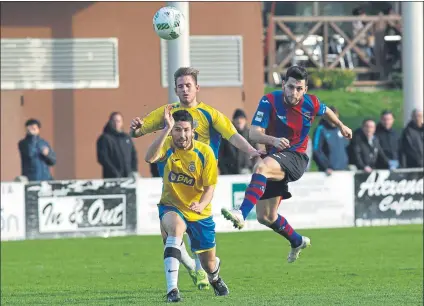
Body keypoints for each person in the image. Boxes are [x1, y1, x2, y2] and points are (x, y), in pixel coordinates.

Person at [130, 67, 260, 290]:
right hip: (173, 181)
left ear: (197, 88)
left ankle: (203, 269)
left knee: (198, 243)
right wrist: (136, 129)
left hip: (200, 184)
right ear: (175, 89)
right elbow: (139, 131)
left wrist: (252, 151)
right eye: (180, 86)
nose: (185, 89)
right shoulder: (167, 113)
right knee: (172, 236)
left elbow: (233, 135)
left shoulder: (210, 114)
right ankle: (192, 268)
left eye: (188, 85)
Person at [221, 66, 352, 263]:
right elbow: (253, 133)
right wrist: (272, 140)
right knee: (266, 216)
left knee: (261, 167)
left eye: (299, 88)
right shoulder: (270, 101)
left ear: (305, 89)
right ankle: (297, 240)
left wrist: (341, 125)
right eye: (291, 87)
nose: (294, 93)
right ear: (283, 85)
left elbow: (326, 112)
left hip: (296, 157)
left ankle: (240, 212)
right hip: (276, 156)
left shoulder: (311, 103)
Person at [145, 108, 229, 302]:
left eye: (185, 130)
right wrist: (166, 129)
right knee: (174, 231)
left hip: (200, 212)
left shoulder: (205, 152)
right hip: (171, 206)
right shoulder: (167, 144)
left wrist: (201, 205)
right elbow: (149, 158)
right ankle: (172, 290)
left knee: (208, 264)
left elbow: (209, 189)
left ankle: (215, 278)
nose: (181, 135)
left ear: (193, 131)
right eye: (177, 130)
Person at [96, 112, 138, 179]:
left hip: (128, 178)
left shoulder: (126, 138)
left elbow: (133, 155)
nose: (116, 123)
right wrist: (115, 173)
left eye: (118, 121)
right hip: (112, 179)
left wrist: (134, 171)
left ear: (122, 123)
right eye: (114, 121)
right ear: (110, 122)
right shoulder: (104, 138)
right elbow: (103, 158)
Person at [312, 106, 349, 174]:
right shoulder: (321, 129)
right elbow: (316, 150)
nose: (332, 119)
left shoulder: (341, 129)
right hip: (328, 172)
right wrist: (326, 167)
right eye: (330, 117)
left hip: (343, 170)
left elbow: (346, 148)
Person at [218, 109, 254, 175]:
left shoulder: (251, 136)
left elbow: (257, 155)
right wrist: (225, 171)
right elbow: (220, 156)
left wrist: (253, 169)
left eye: (241, 118)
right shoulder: (226, 136)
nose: (239, 120)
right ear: (233, 121)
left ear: (245, 121)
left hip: (247, 173)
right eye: (237, 118)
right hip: (229, 174)